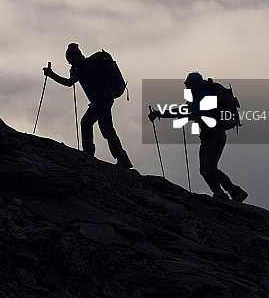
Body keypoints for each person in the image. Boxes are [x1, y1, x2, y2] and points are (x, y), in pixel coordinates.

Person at [149, 72, 247, 201]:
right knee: (204, 170)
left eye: (188, 84)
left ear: (194, 84)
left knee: (210, 169)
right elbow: (187, 112)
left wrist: (164, 114)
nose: (186, 86)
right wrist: (161, 113)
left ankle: (234, 192)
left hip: (215, 136)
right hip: (210, 136)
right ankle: (221, 194)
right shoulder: (197, 96)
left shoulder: (203, 96)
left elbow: (194, 113)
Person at [44, 43, 133, 169]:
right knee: (106, 129)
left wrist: (52, 74)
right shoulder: (81, 67)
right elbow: (70, 82)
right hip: (103, 100)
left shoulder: (87, 66)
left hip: (102, 100)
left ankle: (89, 155)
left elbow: (70, 82)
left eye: (70, 60)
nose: (70, 63)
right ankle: (122, 159)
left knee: (87, 123)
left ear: (77, 57)